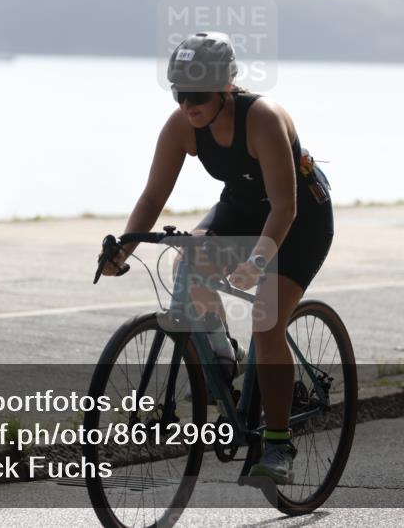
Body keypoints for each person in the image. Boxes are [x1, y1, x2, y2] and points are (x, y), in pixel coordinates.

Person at [99, 31, 334, 484]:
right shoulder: (181, 125)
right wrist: (121, 249)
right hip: (244, 206)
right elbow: (152, 197)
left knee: (267, 320)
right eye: (178, 92)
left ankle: (279, 445)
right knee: (189, 260)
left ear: (226, 87)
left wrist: (259, 262)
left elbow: (285, 208)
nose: (188, 103)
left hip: (300, 217)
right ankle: (225, 359)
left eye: (198, 94)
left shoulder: (262, 118)